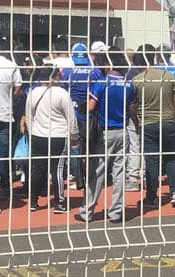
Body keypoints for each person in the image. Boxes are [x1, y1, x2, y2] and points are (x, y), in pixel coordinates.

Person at [76, 56, 136, 225]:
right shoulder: (129, 84)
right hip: (122, 131)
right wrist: (136, 125)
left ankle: (87, 210)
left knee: (98, 172)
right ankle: (116, 212)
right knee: (119, 173)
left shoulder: (102, 82)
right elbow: (132, 109)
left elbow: (90, 107)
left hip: (104, 132)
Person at [20, 68, 78, 212]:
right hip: (58, 135)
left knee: (37, 169)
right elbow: (71, 118)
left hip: (38, 135)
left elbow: (29, 115)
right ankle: (59, 203)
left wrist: (33, 132)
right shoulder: (62, 93)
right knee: (57, 169)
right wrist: (74, 136)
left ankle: (33, 201)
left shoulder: (33, 93)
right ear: (56, 77)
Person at [132, 45, 175, 209]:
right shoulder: (168, 76)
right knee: (171, 157)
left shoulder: (138, 80)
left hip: (148, 123)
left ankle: (152, 196)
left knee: (152, 160)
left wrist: (137, 122)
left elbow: (132, 105)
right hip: (168, 121)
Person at [0, 37, 22, 207]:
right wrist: (9, 99)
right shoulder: (12, 65)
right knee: (3, 153)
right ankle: (5, 186)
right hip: (6, 114)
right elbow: (18, 88)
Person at [61, 42, 100, 194]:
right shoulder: (94, 71)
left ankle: (77, 176)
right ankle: (92, 175)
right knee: (92, 145)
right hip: (90, 112)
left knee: (74, 144)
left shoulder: (68, 71)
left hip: (74, 111)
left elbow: (62, 88)